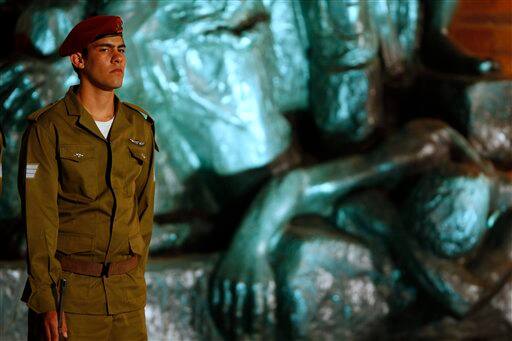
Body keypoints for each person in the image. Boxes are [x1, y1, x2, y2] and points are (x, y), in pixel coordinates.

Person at [19, 15, 157, 340]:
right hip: (71, 300)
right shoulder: (48, 128)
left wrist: (135, 274)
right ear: (78, 60)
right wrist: (46, 298)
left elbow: (144, 211)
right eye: (105, 49)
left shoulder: (139, 128)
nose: (118, 57)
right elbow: (38, 220)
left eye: (121, 49)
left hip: (126, 299)